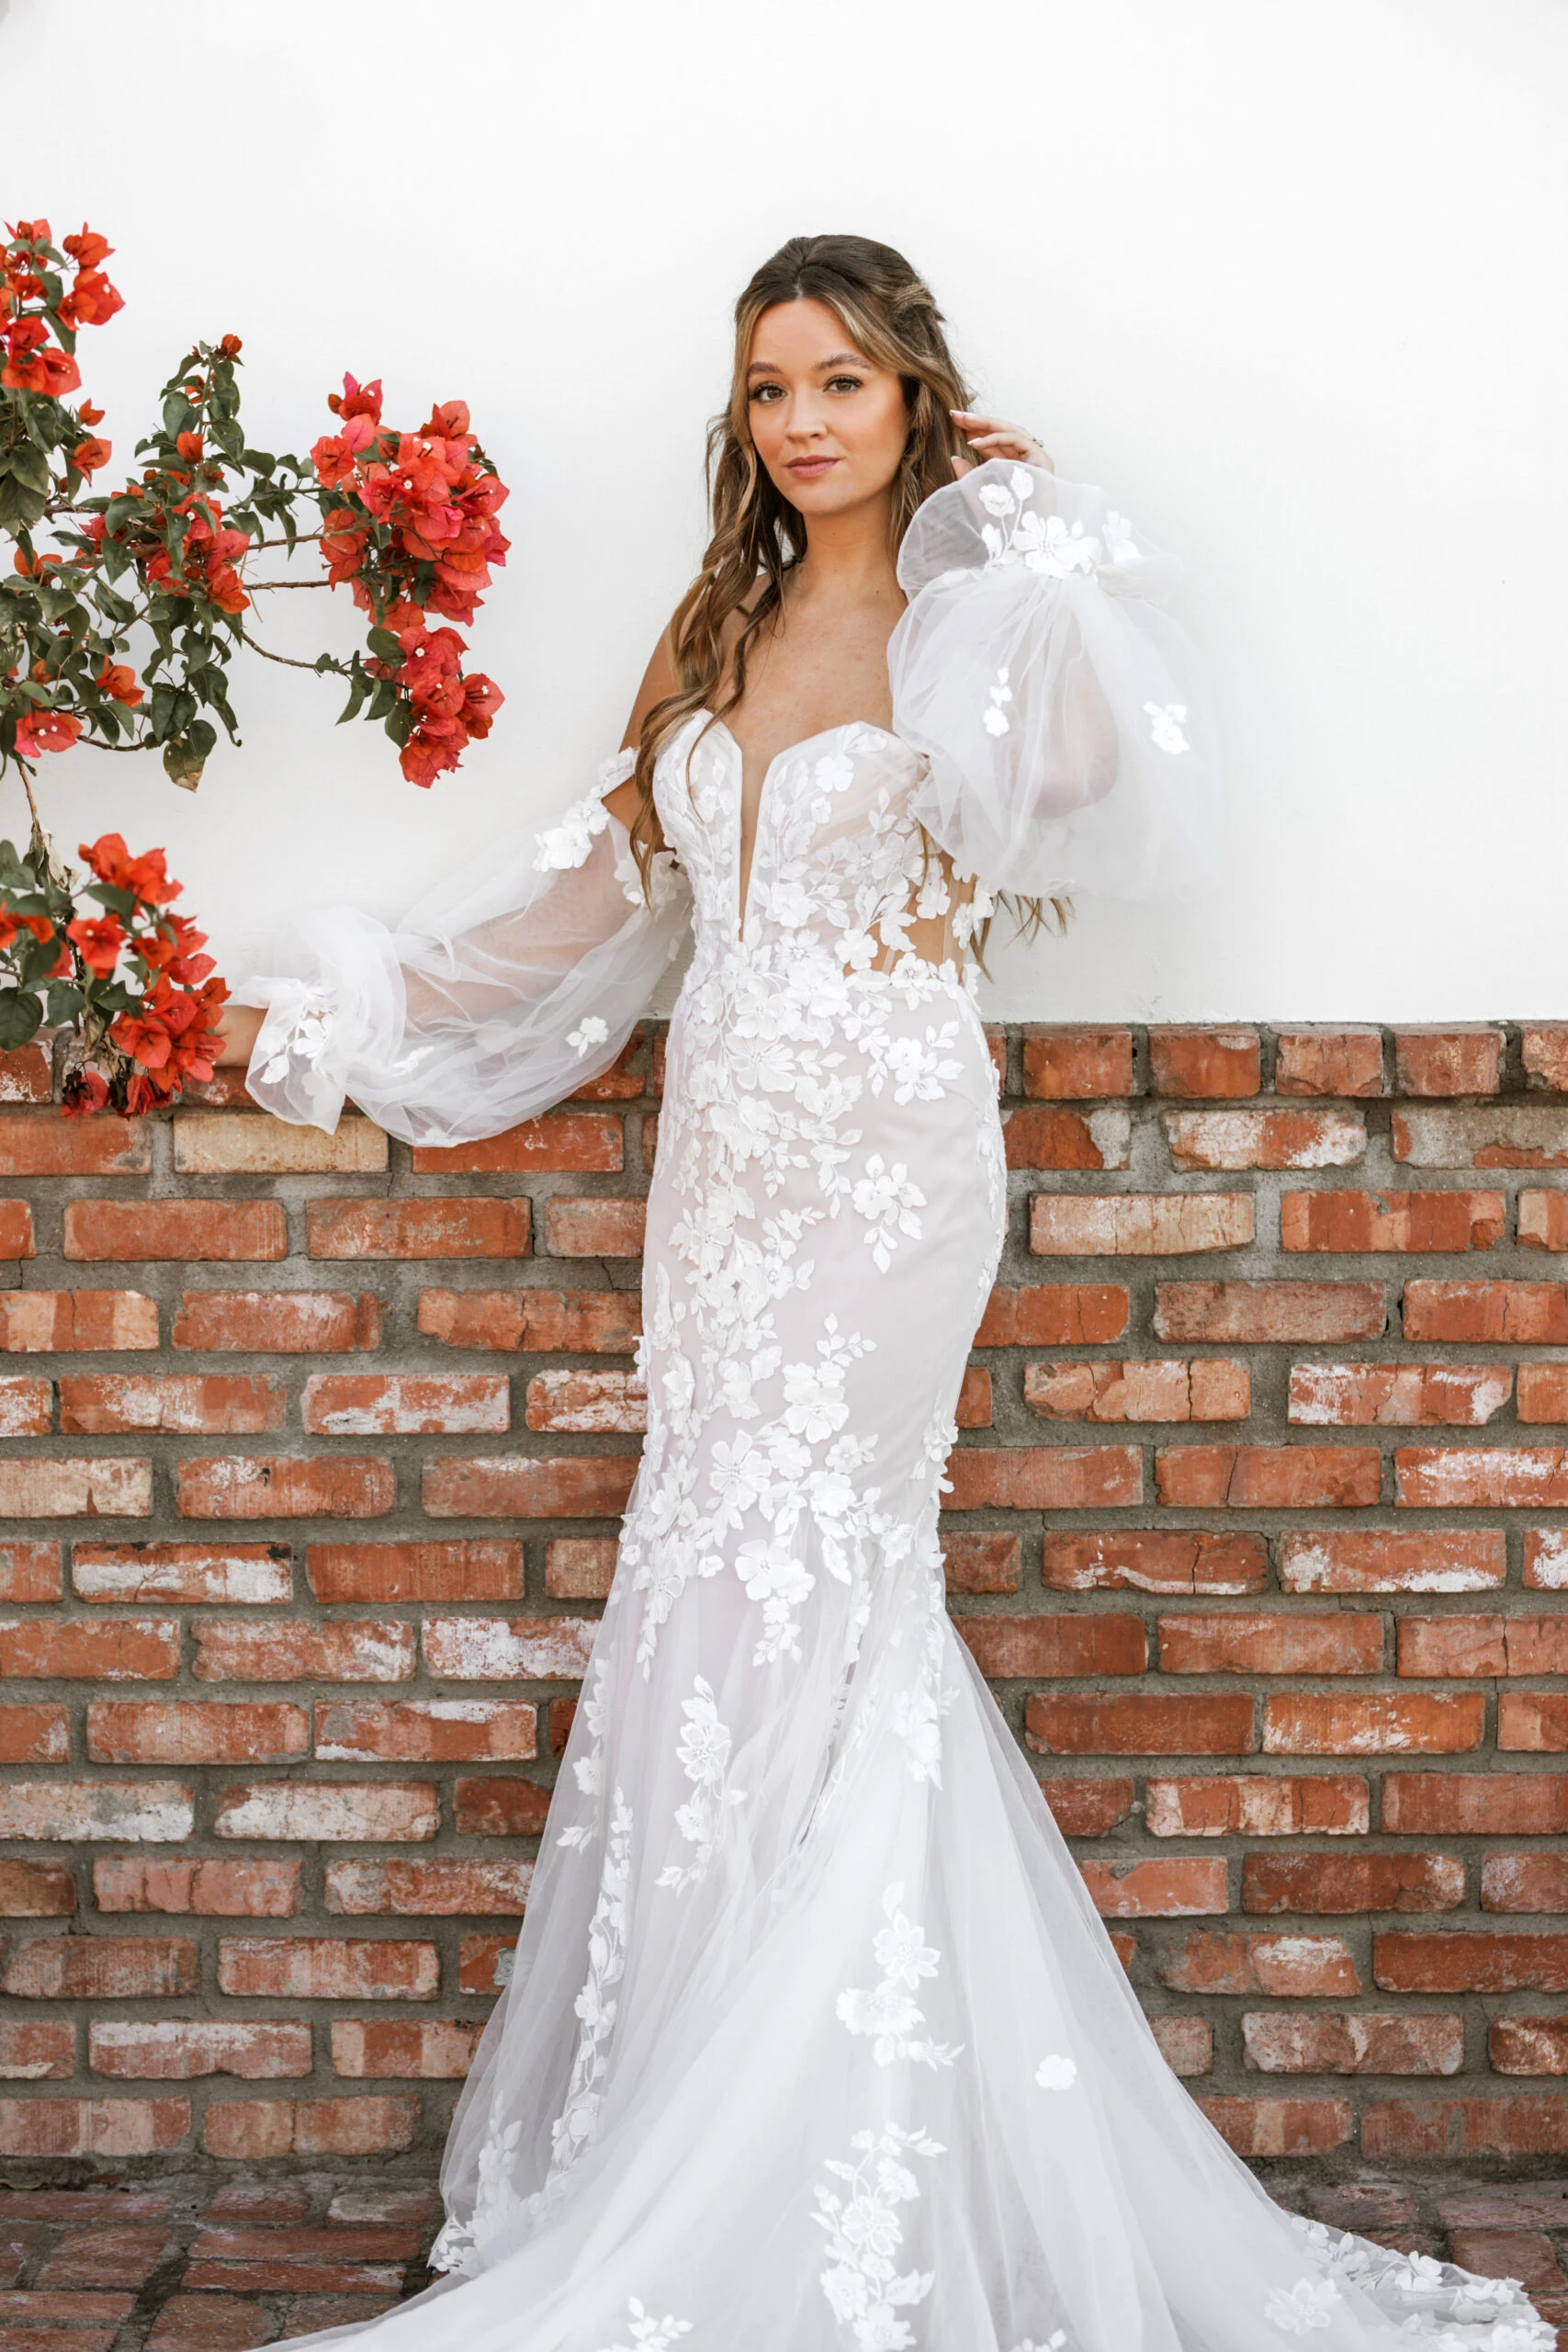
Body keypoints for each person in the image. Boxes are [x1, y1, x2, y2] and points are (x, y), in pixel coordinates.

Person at [217, 236, 1547, 2352]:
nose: (804, 420)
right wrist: (351, 998)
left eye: (839, 379)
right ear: (741, 422)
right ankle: (698, 2112)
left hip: (890, 1159)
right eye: (768, 388)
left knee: (833, 1594)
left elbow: (1113, 786)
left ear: (914, 395)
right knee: (708, 1592)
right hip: (725, 1162)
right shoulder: (722, 619)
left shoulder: (967, 625)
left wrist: (1026, 552)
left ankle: (828, 2141)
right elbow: (597, 885)